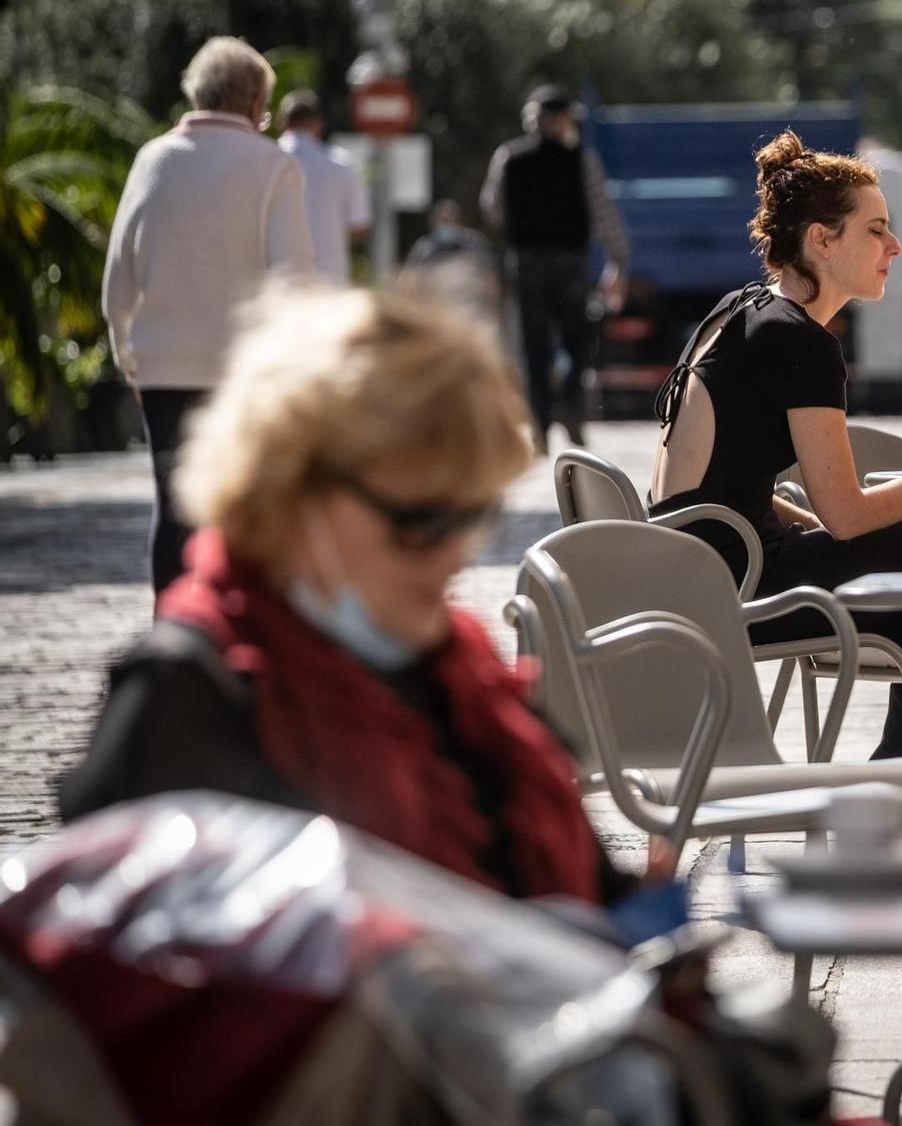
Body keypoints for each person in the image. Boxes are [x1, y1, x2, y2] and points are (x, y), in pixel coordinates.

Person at [61, 284, 642, 907]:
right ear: (293, 486)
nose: (454, 556)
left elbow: (593, 897)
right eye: (421, 520)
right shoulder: (190, 693)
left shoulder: (466, 677)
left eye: (473, 515)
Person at [648, 131, 902, 819]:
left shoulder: (740, 311)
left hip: (699, 575)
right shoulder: (800, 341)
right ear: (822, 241)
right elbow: (848, 516)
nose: (895, 247)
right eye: (876, 229)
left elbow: (712, 485)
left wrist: (798, 513)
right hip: (739, 590)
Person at [100, 36, 317, 598]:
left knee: (173, 511)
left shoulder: (153, 159)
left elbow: (118, 275)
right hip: (244, 374)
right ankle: (234, 637)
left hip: (165, 367)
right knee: (245, 511)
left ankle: (174, 635)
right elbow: (293, 282)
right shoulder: (273, 167)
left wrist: (130, 355)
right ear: (252, 104)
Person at [481, 84, 630, 454]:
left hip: (527, 262)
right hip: (569, 263)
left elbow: (493, 209)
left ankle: (540, 425)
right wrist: (618, 260)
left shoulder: (508, 158)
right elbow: (603, 214)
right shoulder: (581, 160)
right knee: (578, 339)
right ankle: (570, 406)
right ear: (561, 120)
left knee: (533, 346)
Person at [275, 88, 370, 284]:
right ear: (318, 124)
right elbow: (359, 224)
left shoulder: (265, 160)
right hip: (330, 279)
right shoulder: (340, 162)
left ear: (283, 122)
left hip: (278, 280)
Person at [404, 199, 506, 331]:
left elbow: (492, 280)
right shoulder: (424, 249)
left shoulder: (475, 244)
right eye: (444, 219)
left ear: (460, 221)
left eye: (451, 218)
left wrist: (495, 313)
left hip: (471, 313)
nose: (447, 223)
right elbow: (408, 282)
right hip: (435, 312)